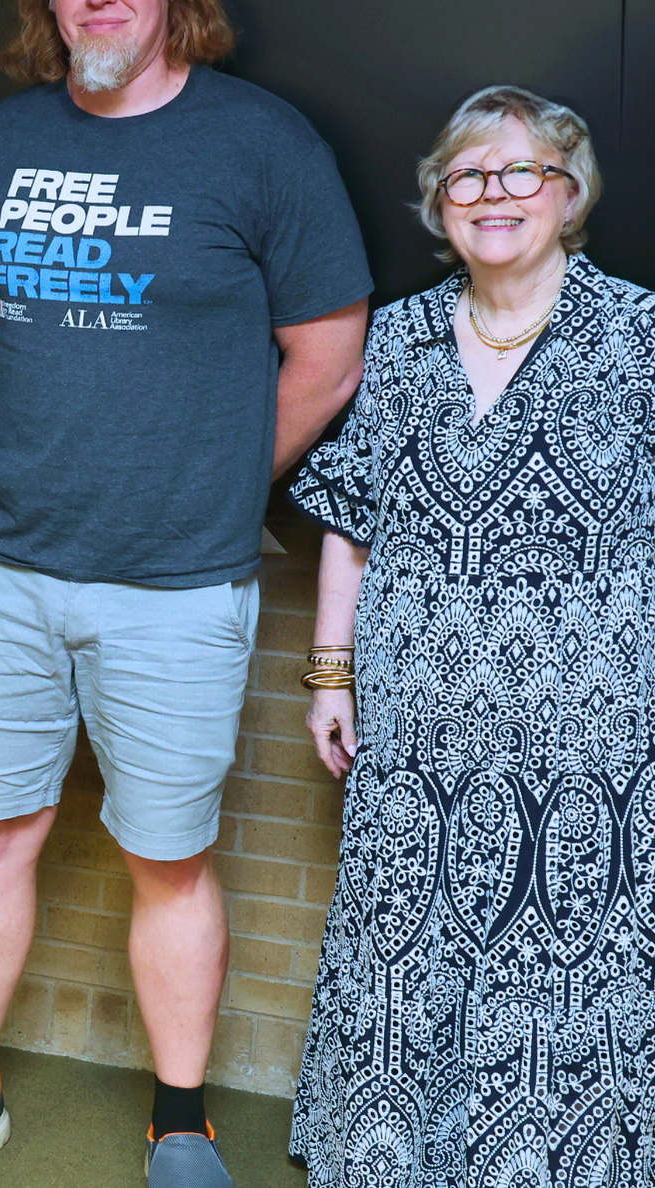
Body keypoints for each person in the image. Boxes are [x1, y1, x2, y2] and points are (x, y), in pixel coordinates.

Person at [0, 0, 372, 1188]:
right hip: (0, 570)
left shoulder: (263, 144)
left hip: (178, 588)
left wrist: (211, 478)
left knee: (170, 858)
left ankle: (179, 1117)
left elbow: (326, 356)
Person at [289, 86, 655, 1187]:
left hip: (591, 739)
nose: (491, 196)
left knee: (568, 960)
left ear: (568, 192)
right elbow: (349, 522)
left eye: (518, 173)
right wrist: (329, 675)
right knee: (405, 944)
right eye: (465, 176)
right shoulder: (395, 340)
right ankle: (388, 1157)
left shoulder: (638, 334)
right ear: (437, 202)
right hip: (414, 731)